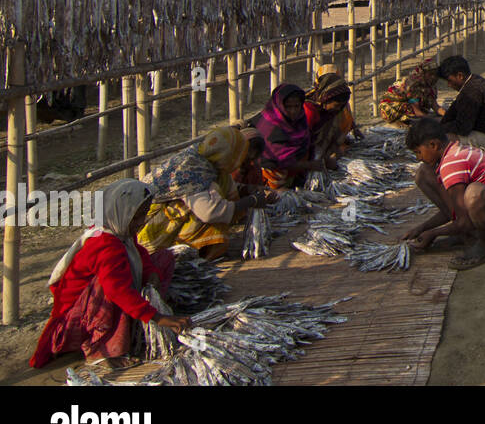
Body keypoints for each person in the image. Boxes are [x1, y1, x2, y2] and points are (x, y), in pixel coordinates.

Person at [30, 179, 192, 369]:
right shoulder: (105, 244)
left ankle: (138, 314)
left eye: (143, 216)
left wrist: (151, 273)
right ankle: (100, 351)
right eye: (137, 217)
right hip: (77, 322)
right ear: (120, 212)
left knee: (163, 258)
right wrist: (157, 318)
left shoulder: (121, 233)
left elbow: (139, 252)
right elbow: (117, 290)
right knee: (109, 288)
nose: (141, 223)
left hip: (98, 306)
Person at [400, 118, 485, 270]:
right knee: (424, 173)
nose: (418, 157)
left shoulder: (451, 163)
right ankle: (468, 235)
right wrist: (422, 228)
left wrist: (433, 233)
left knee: (474, 194)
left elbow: (464, 220)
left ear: (433, 144)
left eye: (418, 152)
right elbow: (456, 210)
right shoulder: (453, 150)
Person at [139, 126, 270, 259]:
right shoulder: (194, 170)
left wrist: (247, 189)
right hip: (150, 230)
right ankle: (189, 252)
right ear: (228, 154)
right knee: (215, 209)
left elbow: (225, 185)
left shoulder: (206, 159)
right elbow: (210, 212)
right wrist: (251, 201)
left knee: (220, 188)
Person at [433, 55, 485, 148]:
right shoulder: (474, 80)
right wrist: (442, 123)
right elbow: (455, 107)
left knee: (444, 139)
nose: (449, 85)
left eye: (449, 81)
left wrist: (440, 129)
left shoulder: (471, 92)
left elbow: (463, 128)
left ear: (460, 76)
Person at [255, 84, 327, 190]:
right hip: (269, 176)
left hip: (290, 173)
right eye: (288, 107)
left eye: (296, 106)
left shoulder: (300, 120)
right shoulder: (271, 126)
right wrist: (309, 165)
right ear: (279, 105)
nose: (293, 111)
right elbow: (275, 162)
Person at [305, 71, 355, 162]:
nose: (339, 109)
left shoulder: (328, 112)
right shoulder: (309, 111)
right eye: (336, 105)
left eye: (342, 106)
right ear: (326, 99)